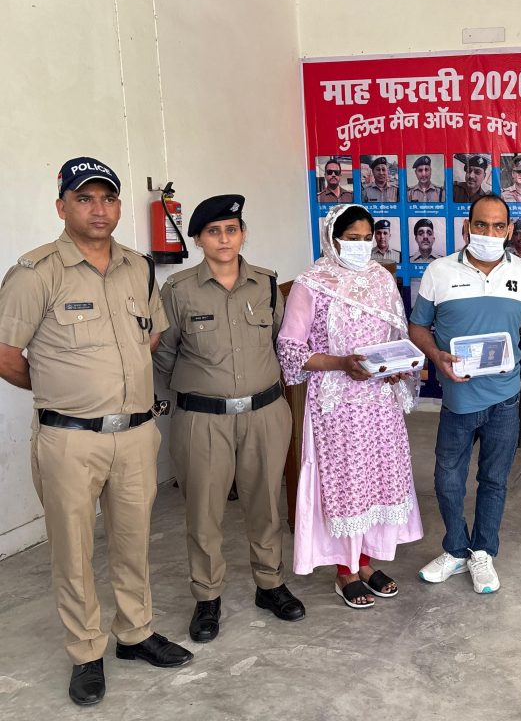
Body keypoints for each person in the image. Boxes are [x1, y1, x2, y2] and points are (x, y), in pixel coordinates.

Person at [0, 157, 193, 707]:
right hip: (70, 440)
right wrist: (61, 389)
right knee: (74, 549)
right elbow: (6, 355)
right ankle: (86, 651)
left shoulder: (138, 267)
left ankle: (134, 633)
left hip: (135, 435)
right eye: (84, 198)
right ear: (61, 207)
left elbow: (149, 337)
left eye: (107, 198)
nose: (98, 209)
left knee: (134, 540)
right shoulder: (35, 273)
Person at [153, 194, 305, 644]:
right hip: (203, 419)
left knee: (267, 504)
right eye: (214, 231)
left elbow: (281, 343)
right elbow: (163, 355)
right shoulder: (178, 290)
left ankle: (270, 584)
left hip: (265, 412)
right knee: (203, 510)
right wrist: (202, 387)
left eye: (232, 230)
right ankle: (207, 596)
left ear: (243, 235)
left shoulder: (267, 284)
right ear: (198, 239)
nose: (224, 239)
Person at [409, 194, 521, 594]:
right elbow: (417, 327)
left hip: (505, 399)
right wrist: (436, 357)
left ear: (508, 230)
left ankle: (483, 552)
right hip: (458, 399)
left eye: (497, 226)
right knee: (447, 479)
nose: (488, 233)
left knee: (494, 479)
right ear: (466, 228)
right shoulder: (439, 271)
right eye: (480, 225)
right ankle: (456, 549)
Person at [278, 204, 423, 608]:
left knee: (376, 479)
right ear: (333, 238)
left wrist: (396, 368)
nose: (361, 246)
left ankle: (365, 562)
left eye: (366, 239)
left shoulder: (380, 278)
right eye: (351, 239)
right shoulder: (312, 282)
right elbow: (291, 349)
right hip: (337, 404)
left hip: (379, 402)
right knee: (346, 484)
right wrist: (342, 363)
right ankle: (345, 571)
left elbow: (396, 336)